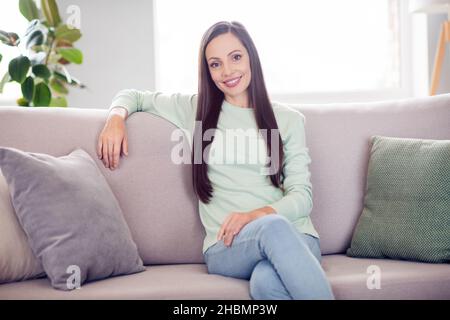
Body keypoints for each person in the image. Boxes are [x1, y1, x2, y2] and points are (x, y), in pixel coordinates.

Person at [97, 21, 334, 300]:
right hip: (227, 247)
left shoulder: (289, 120)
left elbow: (302, 197)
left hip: (297, 236)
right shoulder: (196, 109)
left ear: (251, 58)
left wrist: (255, 216)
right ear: (207, 71)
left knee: (265, 284)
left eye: (235, 57)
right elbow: (133, 96)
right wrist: (115, 118)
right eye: (215, 64)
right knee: (273, 229)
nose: (228, 71)